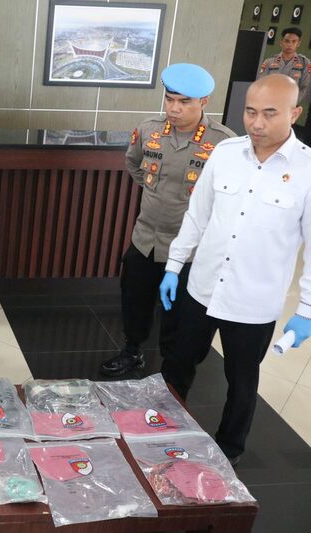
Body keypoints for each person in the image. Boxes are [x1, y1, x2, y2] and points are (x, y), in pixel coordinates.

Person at [158, 74, 311, 466]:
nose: (256, 123)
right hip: (202, 287)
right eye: (250, 111)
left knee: (241, 382)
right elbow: (197, 215)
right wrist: (174, 266)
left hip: (253, 302)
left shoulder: (307, 170)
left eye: (269, 114)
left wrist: (307, 310)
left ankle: (229, 449)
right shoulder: (225, 153)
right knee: (178, 364)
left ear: (294, 113)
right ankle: (161, 430)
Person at [101, 64, 236, 377]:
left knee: (177, 313)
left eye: (184, 102)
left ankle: (170, 371)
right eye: (170, 99)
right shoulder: (149, 130)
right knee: (135, 300)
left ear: (204, 102)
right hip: (145, 239)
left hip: (189, 250)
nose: (174, 108)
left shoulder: (223, 143)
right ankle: (132, 350)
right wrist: (157, 192)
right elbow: (134, 164)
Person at [257, 27, 310, 103]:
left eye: (294, 41)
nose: (290, 44)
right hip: (269, 102)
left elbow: (304, 87)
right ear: (281, 42)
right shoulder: (269, 62)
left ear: (298, 43)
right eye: (287, 41)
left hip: (290, 104)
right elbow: (261, 83)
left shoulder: (304, 63)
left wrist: (292, 102)